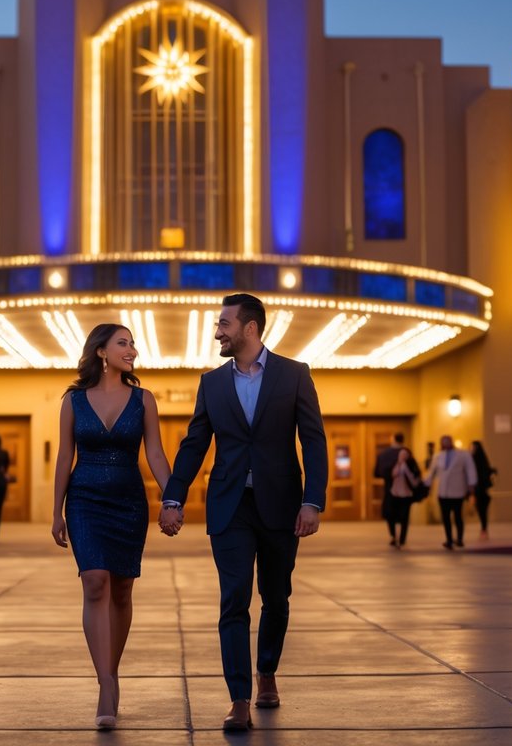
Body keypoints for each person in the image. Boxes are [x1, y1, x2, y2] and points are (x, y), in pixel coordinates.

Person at [159, 293, 328, 732]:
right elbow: (195, 444)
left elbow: (313, 441)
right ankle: (239, 699)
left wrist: (313, 501)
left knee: (276, 597)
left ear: (249, 328)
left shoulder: (294, 375)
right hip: (230, 506)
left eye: (223, 324)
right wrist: (173, 497)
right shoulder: (212, 383)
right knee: (233, 600)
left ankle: (266, 670)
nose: (217, 331)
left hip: (282, 506)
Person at [51, 323, 173, 730]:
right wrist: (57, 512)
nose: (133, 350)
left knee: (121, 588)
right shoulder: (72, 401)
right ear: (101, 351)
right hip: (84, 500)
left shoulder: (144, 400)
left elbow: (155, 453)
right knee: (95, 581)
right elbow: (64, 457)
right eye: (123, 343)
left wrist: (171, 498)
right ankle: (106, 684)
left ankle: (112, 670)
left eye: (133, 343)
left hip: (128, 503)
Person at [426, 435, 477, 550]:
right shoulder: (438, 456)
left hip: (457, 491)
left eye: (447, 441)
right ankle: (449, 539)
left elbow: (470, 469)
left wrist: (471, 484)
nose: (446, 443)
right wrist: (425, 486)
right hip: (443, 492)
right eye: (443, 442)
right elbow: (431, 472)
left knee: (458, 516)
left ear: (451, 442)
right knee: (445, 517)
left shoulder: (463, 455)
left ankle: (459, 539)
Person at [385, 447, 424, 548]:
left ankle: (402, 539)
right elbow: (392, 475)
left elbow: (414, 480)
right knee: (391, 516)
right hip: (394, 493)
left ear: (408, 456)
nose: (402, 456)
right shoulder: (394, 464)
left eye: (405, 455)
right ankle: (393, 536)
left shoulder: (411, 465)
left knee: (404, 517)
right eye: (401, 454)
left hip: (406, 494)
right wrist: (399, 464)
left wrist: (405, 468)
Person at [374, 432, 407, 546]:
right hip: (405, 489)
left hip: (389, 487)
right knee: (404, 513)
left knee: (390, 513)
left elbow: (377, 473)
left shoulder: (384, 454)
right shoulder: (407, 453)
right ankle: (402, 538)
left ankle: (393, 536)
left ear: (393, 439)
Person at [471, 440, 497, 540]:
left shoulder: (476, 459)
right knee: (482, 511)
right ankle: (484, 529)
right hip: (480, 490)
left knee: (481, 510)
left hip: (480, 490)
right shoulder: (481, 459)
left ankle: (484, 529)